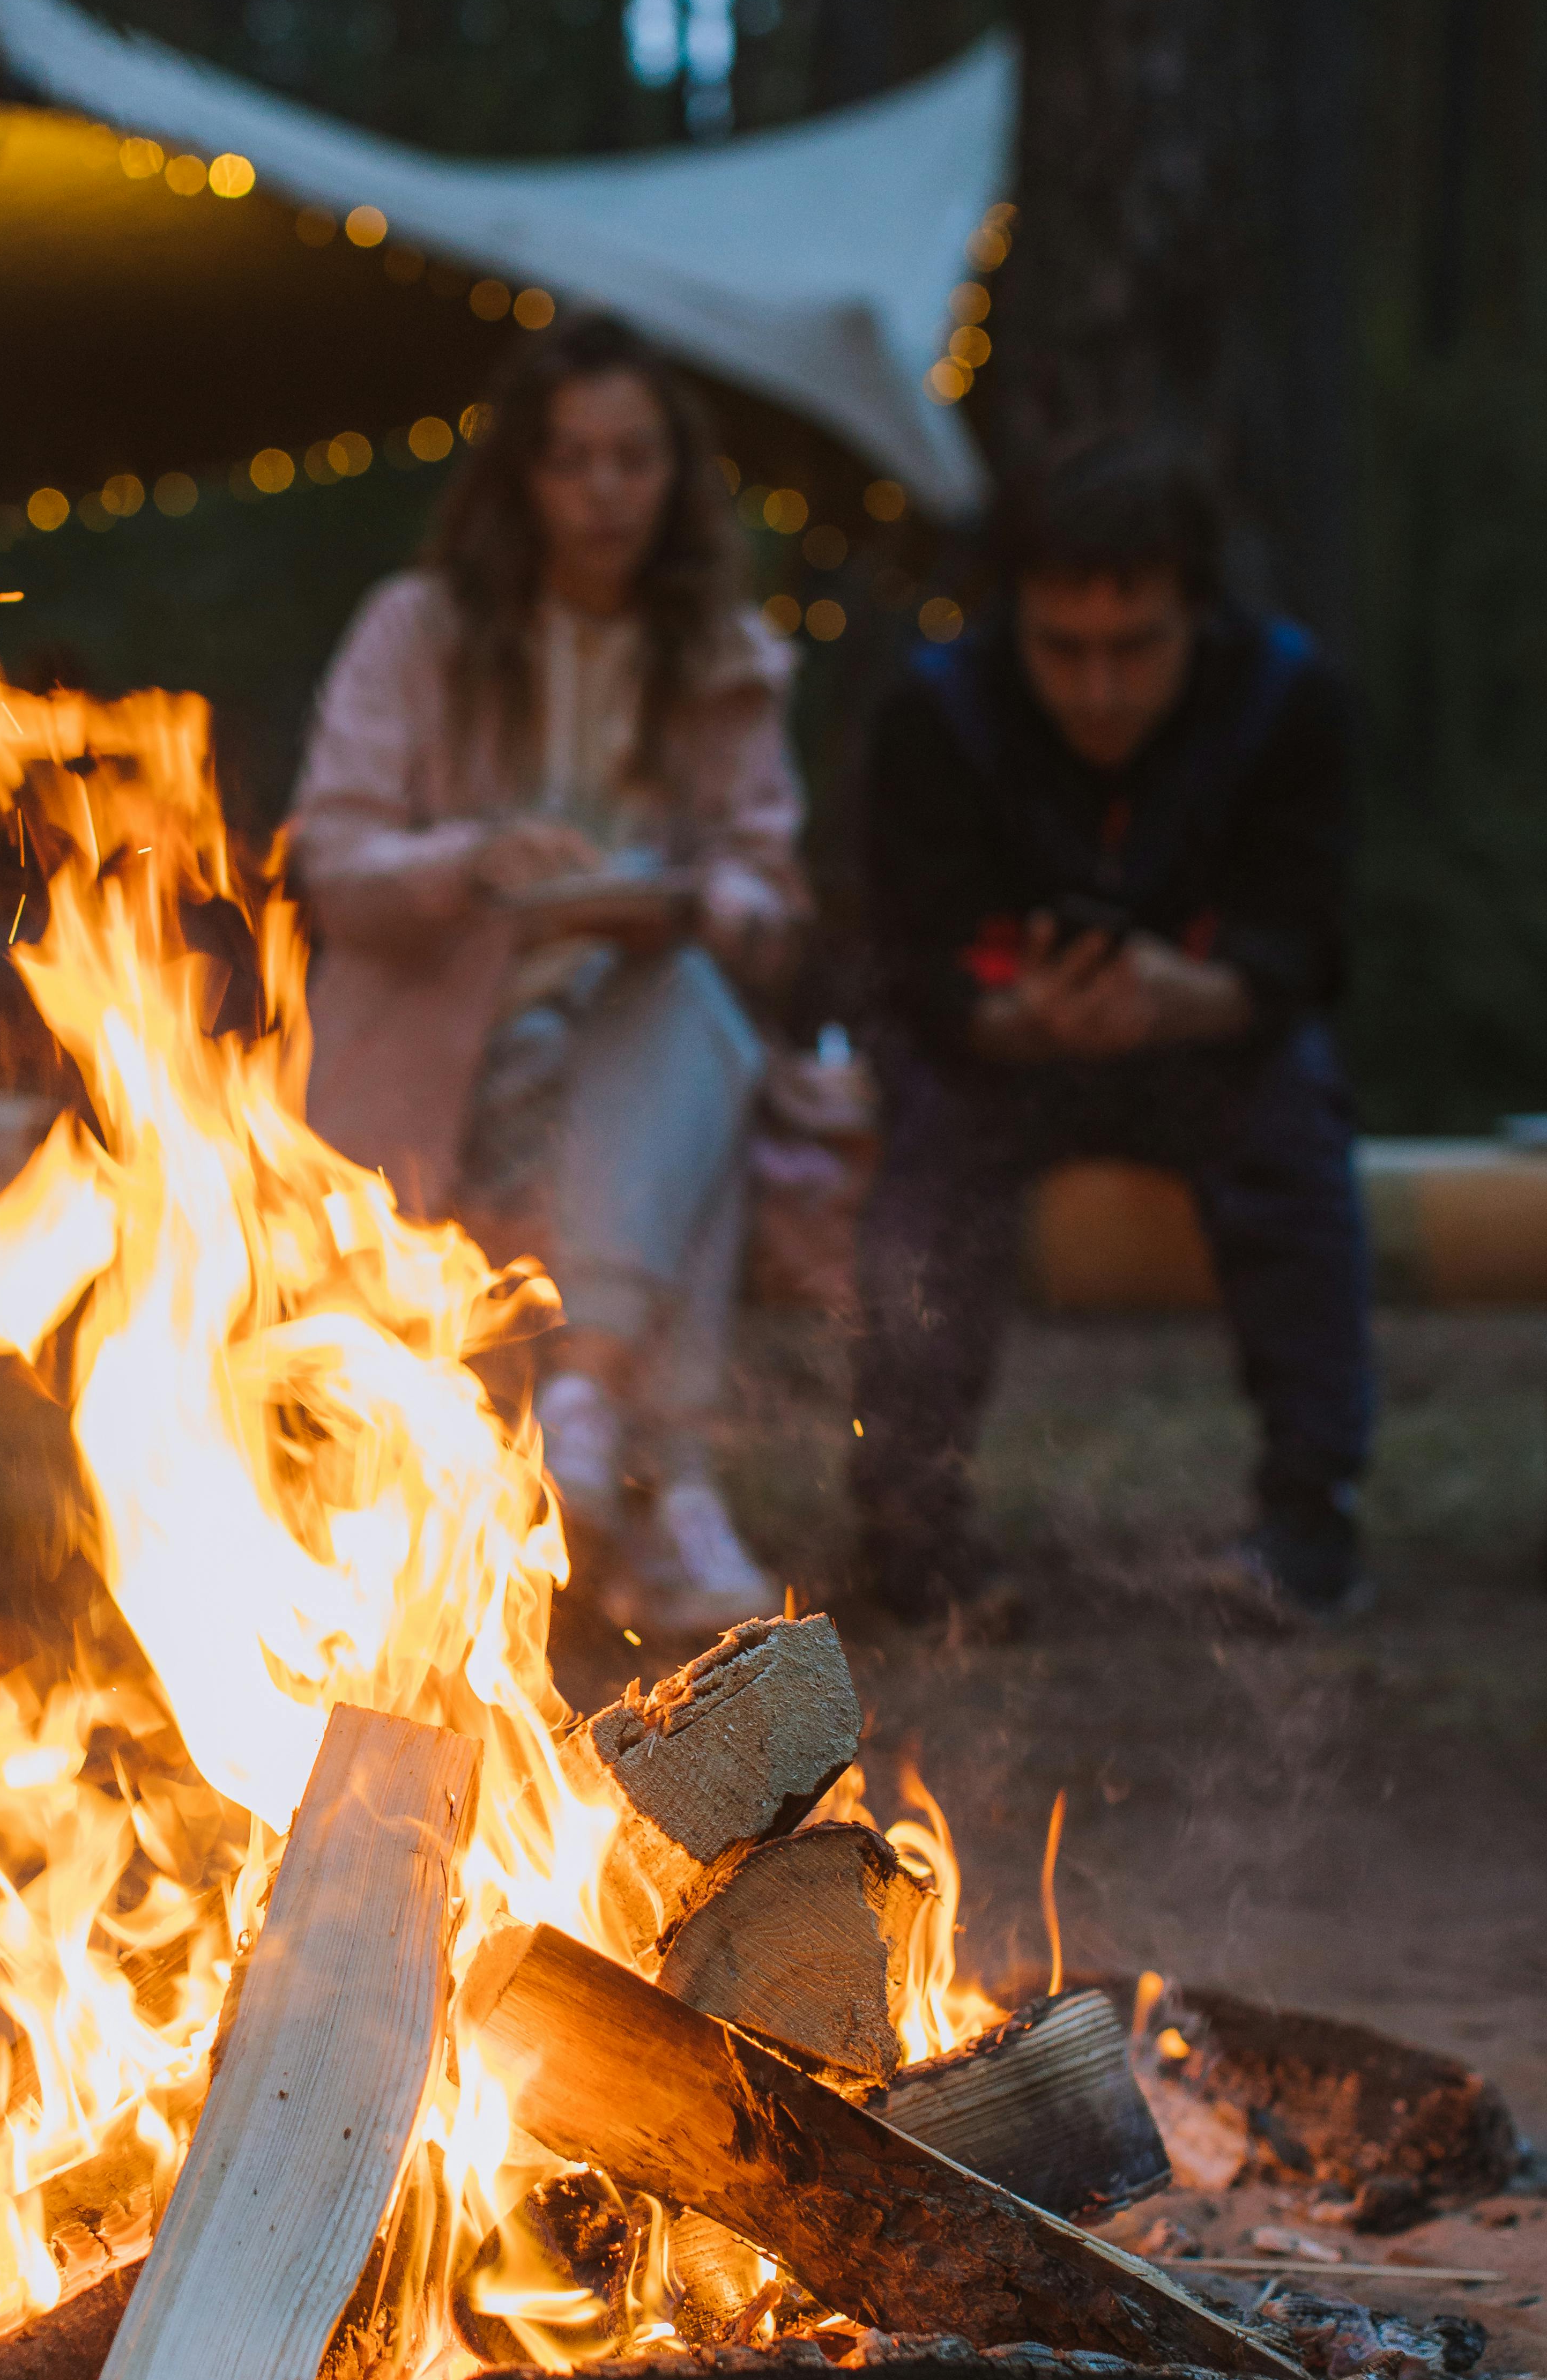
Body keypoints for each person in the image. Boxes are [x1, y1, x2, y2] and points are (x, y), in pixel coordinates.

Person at [291, 309, 809, 1641]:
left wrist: (707, 900)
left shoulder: (715, 655)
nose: (602, 493)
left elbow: (770, 892)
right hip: (447, 1060)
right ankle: (670, 1486)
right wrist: (473, 863)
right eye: (571, 459)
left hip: (630, 1032)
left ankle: (584, 1413)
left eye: (632, 459)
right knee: (700, 1085)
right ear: (521, 476)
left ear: (673, 477)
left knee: (687, 1004)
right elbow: (331, 862)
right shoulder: (417, 631)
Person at [853, 433, 1372, 1627]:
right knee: (929, 1173)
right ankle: (911, 1529)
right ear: (1013, 618)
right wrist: (1011, 1016)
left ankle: (1308, 1517)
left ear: (1195, 610)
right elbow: (907, 957)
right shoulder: (937, 714)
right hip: (1000, 1056)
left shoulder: (1286, 703)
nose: (1098, 689)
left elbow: (1303, 947)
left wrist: (1183, 994)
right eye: (1063, 650)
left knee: (1294, 1129)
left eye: (1134, 648)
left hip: (1212, 1047)